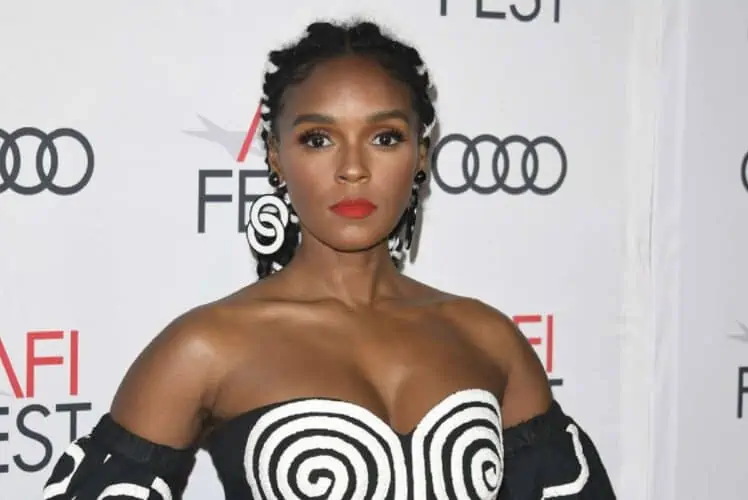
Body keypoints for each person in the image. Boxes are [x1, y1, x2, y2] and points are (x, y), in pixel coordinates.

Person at [43, 19, 616, 500]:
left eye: (385, 137)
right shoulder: (205, 347)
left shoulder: (487, 338)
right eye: (318, 139)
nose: (353, 169)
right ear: (275, 156)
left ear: (421, 153)